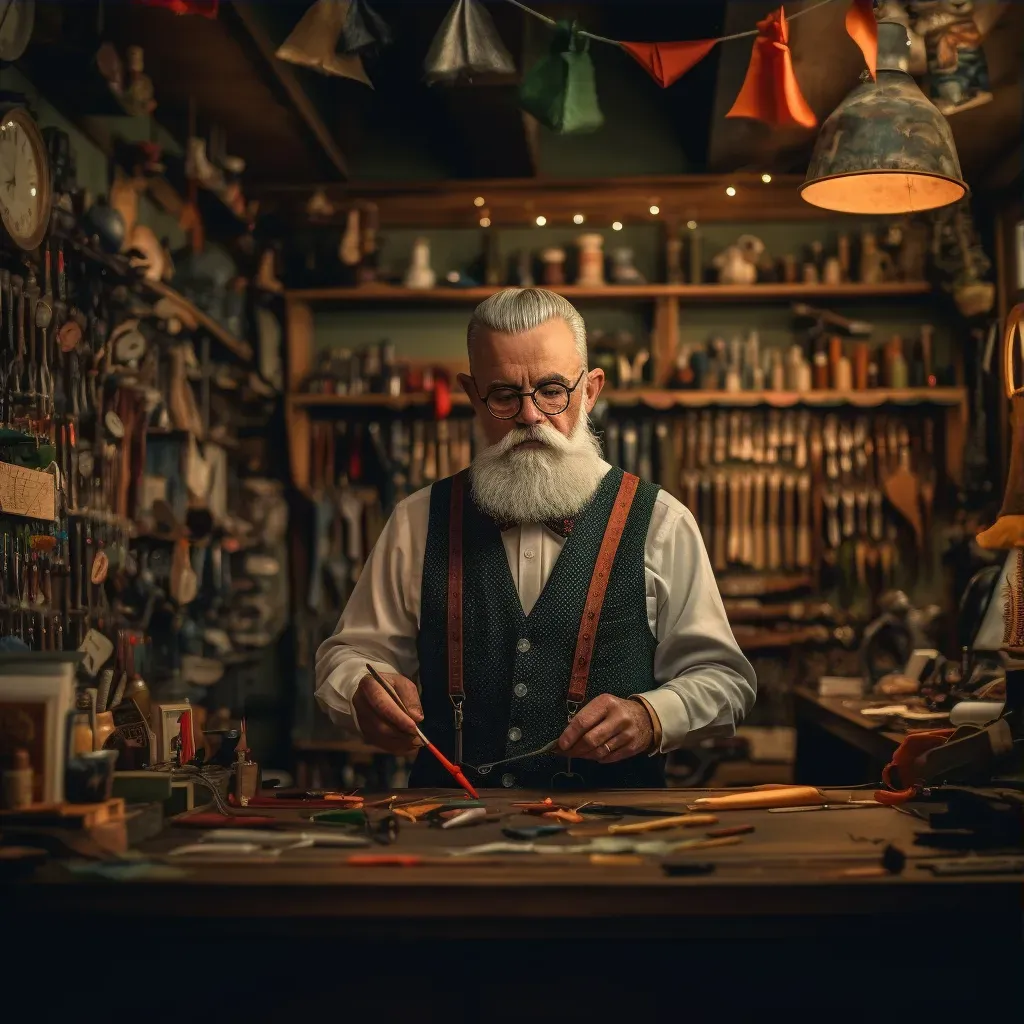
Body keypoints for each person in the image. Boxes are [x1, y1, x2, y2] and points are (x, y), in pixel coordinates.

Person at [315, 287, 756, 788]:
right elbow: (346, 655)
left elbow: (725, 680)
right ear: (472, 395)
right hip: (449, 832)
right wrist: (361, 691)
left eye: (551, 391)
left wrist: (651, 717)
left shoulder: (661, 522)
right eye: (504, 395)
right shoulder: (418, 521)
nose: (529, 416)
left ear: (590, 391)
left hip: (617, 839)